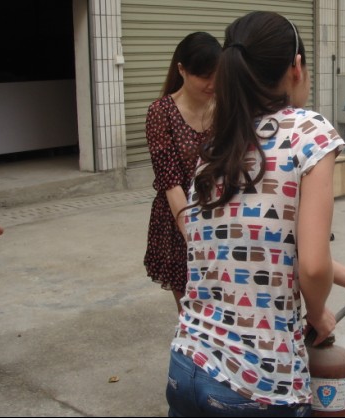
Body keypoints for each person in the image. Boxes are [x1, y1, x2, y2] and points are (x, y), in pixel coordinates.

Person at [165, 11, 345, 417]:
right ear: (296, 66)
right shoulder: (309, 132)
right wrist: (317, 313)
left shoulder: (217, 146)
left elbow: (254, 242)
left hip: (186, 367)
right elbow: (312, 266)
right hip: (256, 385)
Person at [144, 32, 222, 313]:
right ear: (181, 69)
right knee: (192, 312)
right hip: (180, 221)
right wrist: (193, 238)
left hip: (221, 215)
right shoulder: (161, 112)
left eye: (217, 75)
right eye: (204, 76)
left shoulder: (225, 107)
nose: (212, 84)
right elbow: (171, 183)